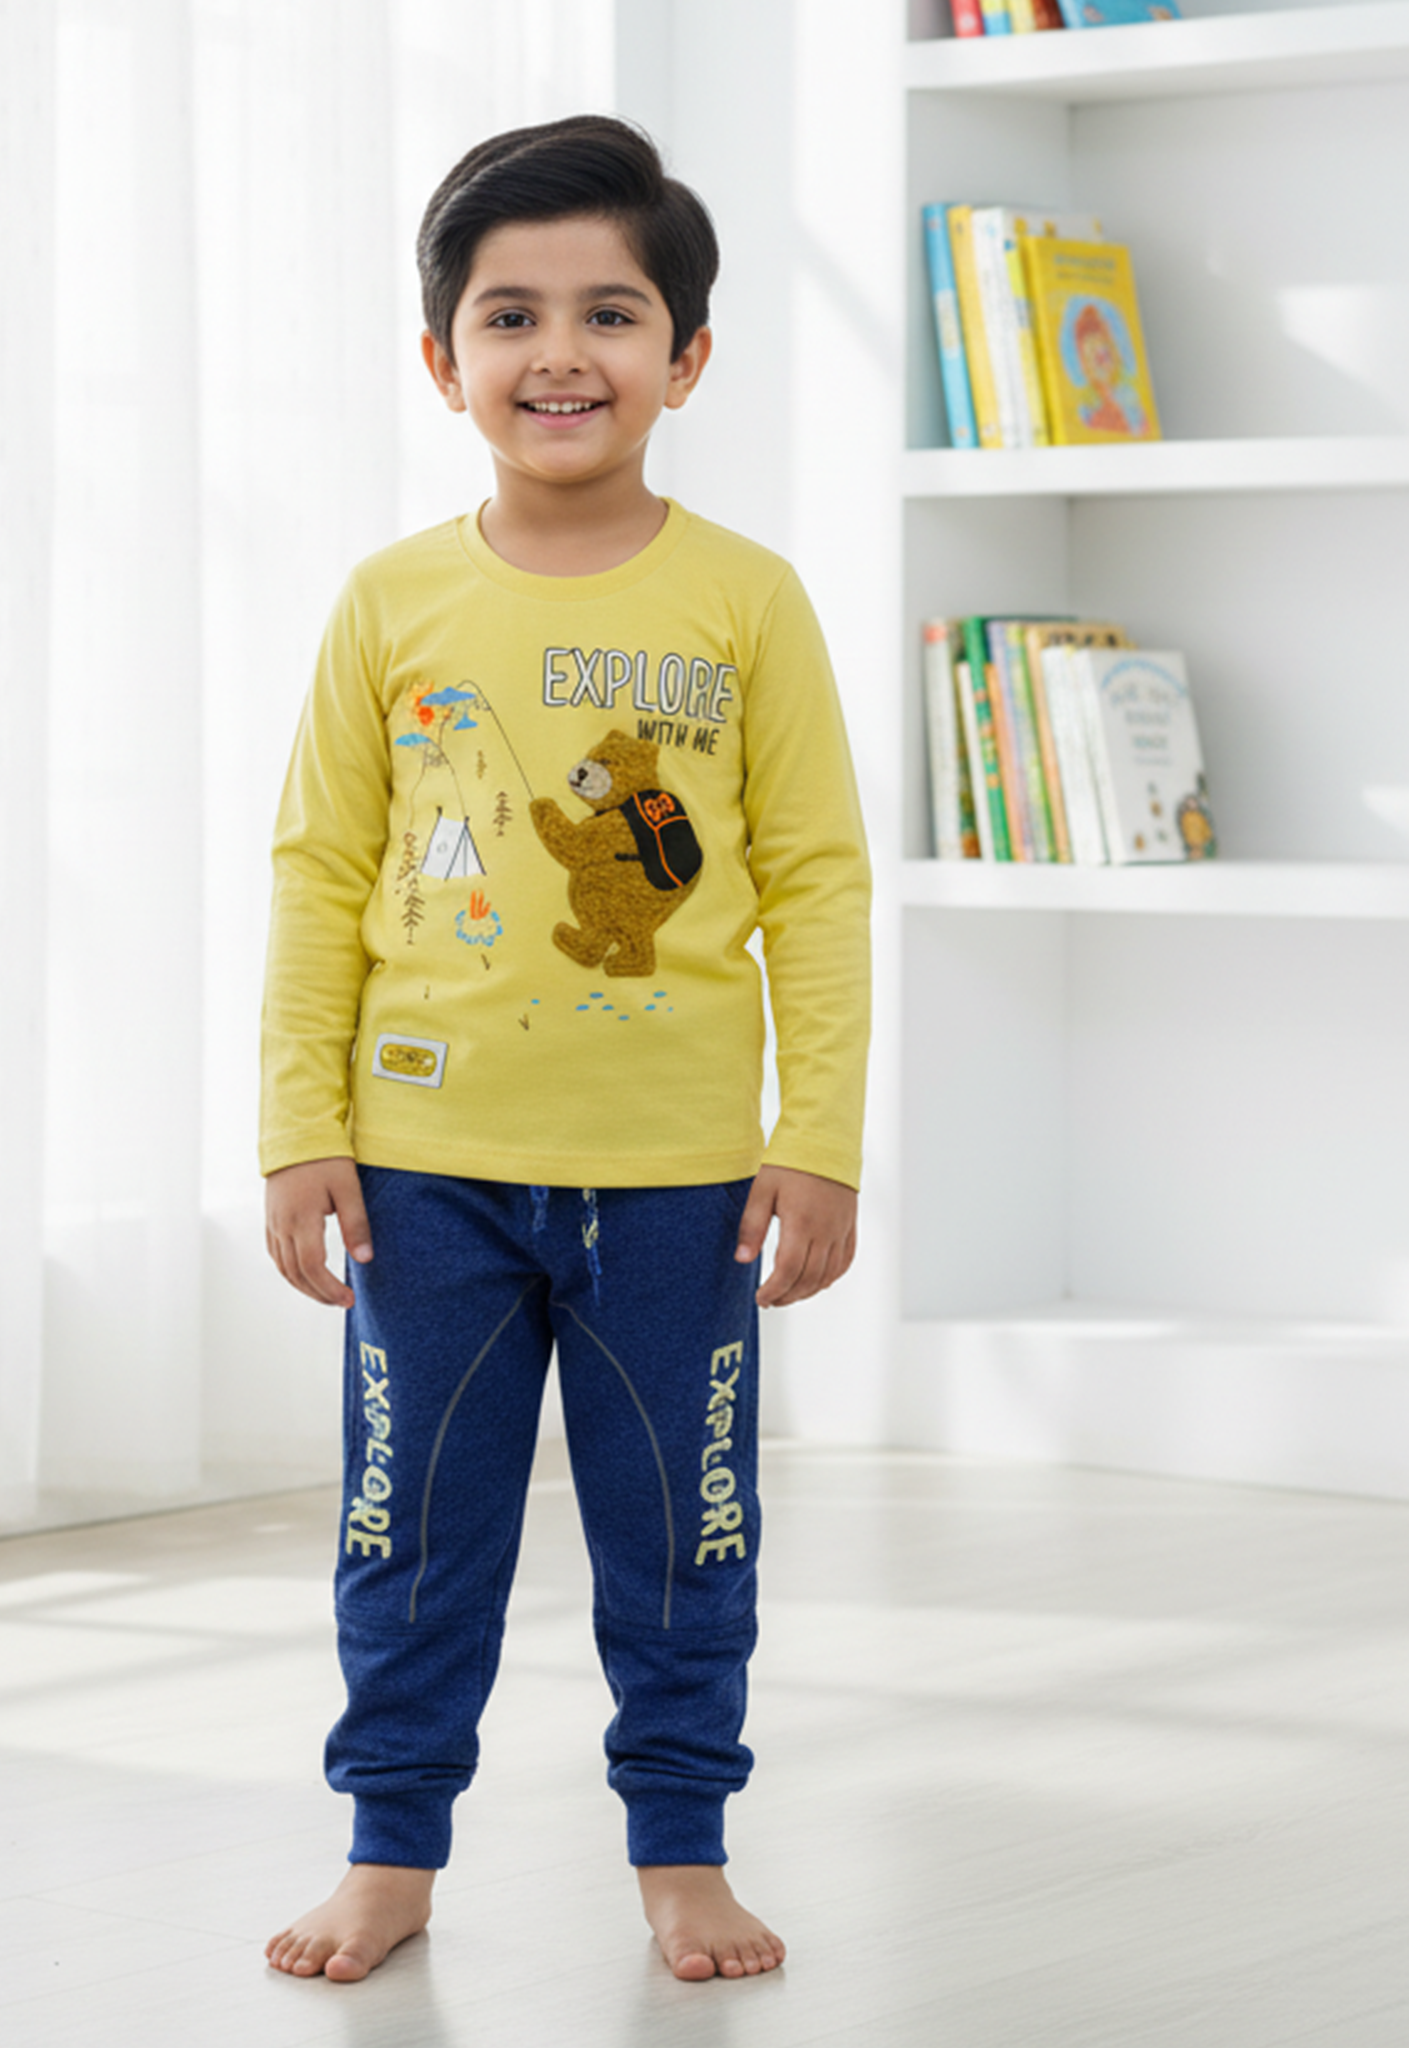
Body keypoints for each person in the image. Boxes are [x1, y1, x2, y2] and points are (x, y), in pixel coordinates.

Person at [258, 113, 870, 1986]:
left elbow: (819, 885)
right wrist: (302, 1127)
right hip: (426, 1165)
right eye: (510, 315)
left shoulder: (746, 599)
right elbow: (319, 869)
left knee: (683, 1531)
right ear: (444, 361)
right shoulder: (390, 601)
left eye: (612, 312)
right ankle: (390, 1847)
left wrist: (818, 1137)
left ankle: (681, 1846)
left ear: (686, 356)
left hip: (678, 1174)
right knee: (409, 1521)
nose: (562, 355)